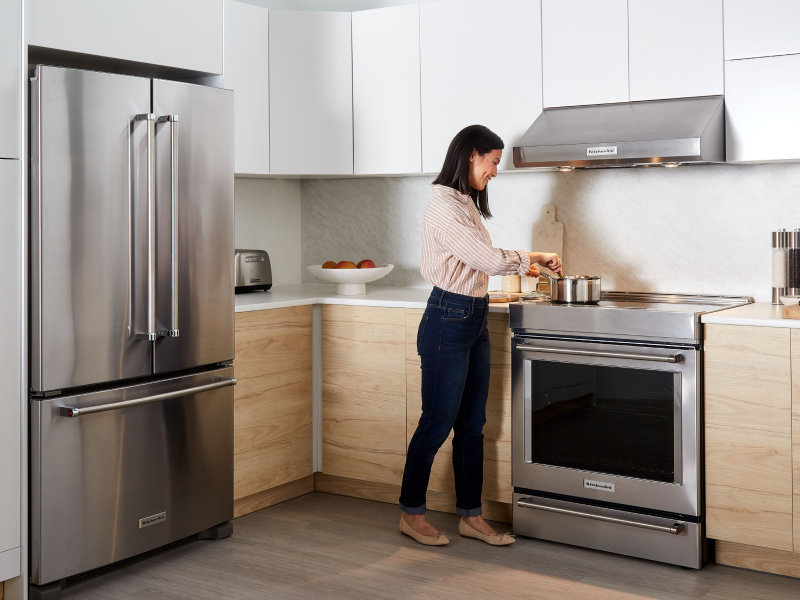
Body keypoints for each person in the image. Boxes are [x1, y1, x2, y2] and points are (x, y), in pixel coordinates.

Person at [398, 125, 562, 547]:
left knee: (472, 424)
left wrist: (533, 257)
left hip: (471, 315)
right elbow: (485, 258)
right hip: (446, 318)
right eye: (492, 162)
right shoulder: (443, 205)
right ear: (472, 155)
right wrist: (527, 260)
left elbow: (481, 258)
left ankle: (470, 516)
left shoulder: (464, 202)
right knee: (436, 423)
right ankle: (411, 512)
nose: (494, 172)